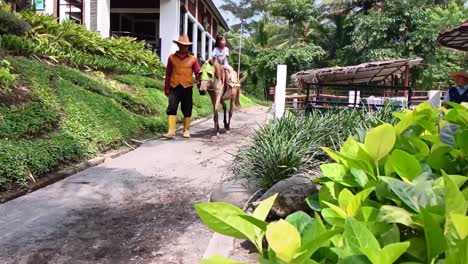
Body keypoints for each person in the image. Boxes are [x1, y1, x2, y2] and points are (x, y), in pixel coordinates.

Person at [162, 35, 201, 139]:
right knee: (172, 107)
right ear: (178, 45)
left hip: (187, 87)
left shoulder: (193, 59)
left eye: (186, 46)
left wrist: (199, 82)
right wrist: (166, 88)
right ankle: (171, 131)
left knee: (187, 108)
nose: (184, 47)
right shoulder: (171, 58)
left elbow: (198, 72)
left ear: (188, 47)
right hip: (174, 87)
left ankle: (186, 130)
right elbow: (168, 73)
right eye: (182, 45)